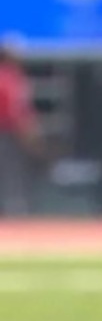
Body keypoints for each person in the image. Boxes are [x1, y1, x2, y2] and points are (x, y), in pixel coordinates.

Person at [0, 37, 44, 216]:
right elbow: (16, 110)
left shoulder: (15, 76)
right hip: (7, 131)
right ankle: (14, 207)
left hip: (11, 130)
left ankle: (14, 206)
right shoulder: (9, 77)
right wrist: (28, 132)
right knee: (11, 170)